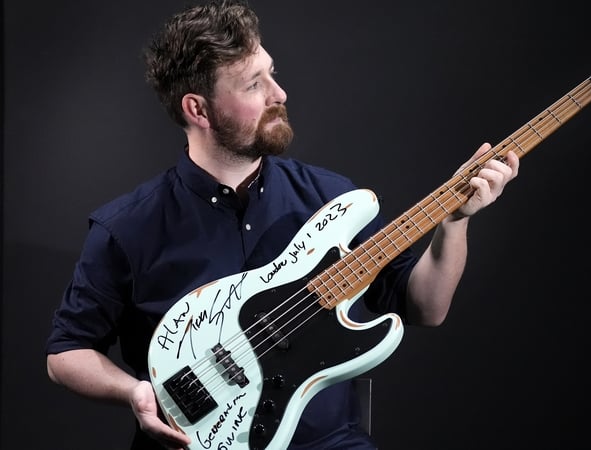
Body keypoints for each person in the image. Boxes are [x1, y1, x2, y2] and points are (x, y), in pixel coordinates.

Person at [44, 1, 519, 449]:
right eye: (254, 85)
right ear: (198, 109)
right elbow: (66, 352)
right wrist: (134, 393)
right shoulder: (127, 228)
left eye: (272, 74)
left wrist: (454, 223)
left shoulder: (330, 200)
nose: (279, 94)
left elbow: (425, 308)